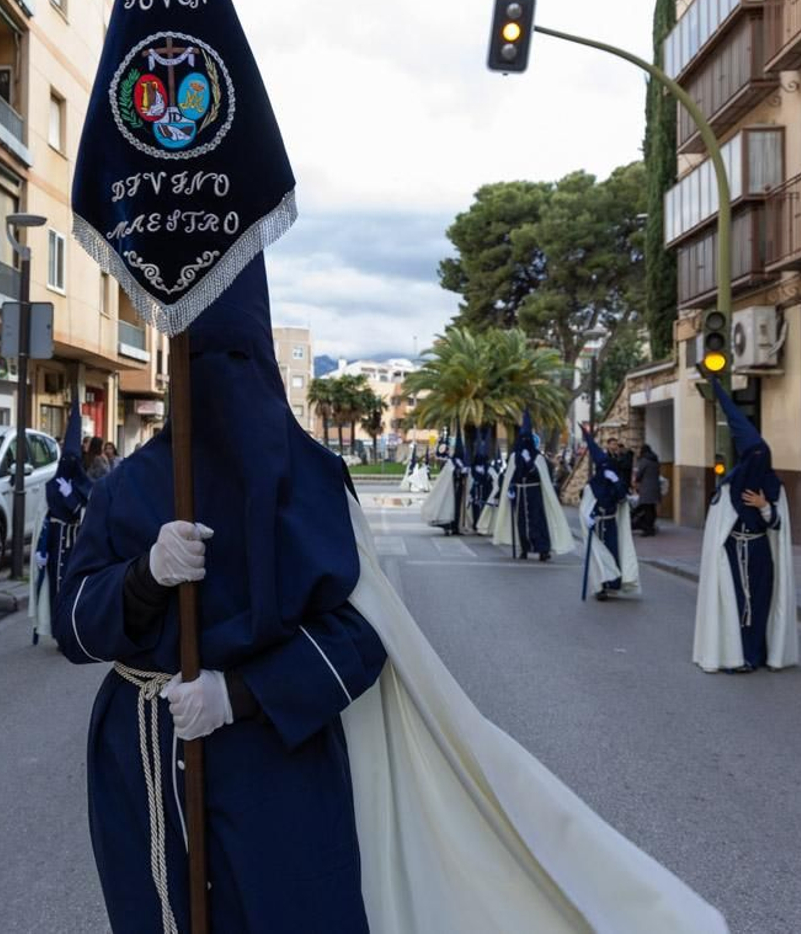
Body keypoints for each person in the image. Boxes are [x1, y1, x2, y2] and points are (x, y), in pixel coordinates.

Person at [53, 258, 726, 932]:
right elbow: (73, 625)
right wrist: (143, 576)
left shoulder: (312, 482)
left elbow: (362, 633)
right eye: (202, 364)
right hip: (142, 766)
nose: (219, 386)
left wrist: (238, 693)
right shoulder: (128, 488)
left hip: (278, 775)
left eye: (237, 362)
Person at [693, 380, 798, 674]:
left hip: (760, 550)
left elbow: (778, 525)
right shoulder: (729, 489)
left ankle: (757, 654)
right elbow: (717, 528)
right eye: (754, 458)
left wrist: (764, 506)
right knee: (736, 603)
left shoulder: (773, 486)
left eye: (762, 456)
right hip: (732, 553)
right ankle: (736, 655)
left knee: (761, 602)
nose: (758, 463)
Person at [31, 395, 92, 646]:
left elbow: (84, 513)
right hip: (55, 545)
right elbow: (44, 518)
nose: (69, 464)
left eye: (73, 461)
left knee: (72, 589)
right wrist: (41, 549)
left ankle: (71, 631)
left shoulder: (85, 486)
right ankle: (57, 632)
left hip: (75, 545)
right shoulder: (52, 485)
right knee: (54, 590)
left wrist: (71, 497)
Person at [493, 410, 573, 561]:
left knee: (538, 521)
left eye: (527, 439)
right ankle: (524, 548)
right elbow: (511, 475)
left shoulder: (538, 458)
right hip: (520, 493)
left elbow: (540, 475)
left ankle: (542, 549)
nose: (524, 442)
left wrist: (529, 463)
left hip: (534, 493)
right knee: (522, 522)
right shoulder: (515, 457)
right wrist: (510, 487)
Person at [580, 425, 640, 601]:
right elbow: (586, 506)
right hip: (597, 523)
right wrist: (588, 518)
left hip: (611, 522)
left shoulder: (615, 481)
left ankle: (612, 583)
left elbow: (621, 499)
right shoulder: (592, 486)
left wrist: (617, 483)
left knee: (612, 552)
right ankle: (600, 587)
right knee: (599, 555)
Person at [632, 444, 663, 536]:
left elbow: (639, 474)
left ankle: (648, 529)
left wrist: (636, 480)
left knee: (647, 510)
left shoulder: (644, 461)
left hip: (646, 488)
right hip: (655, 487)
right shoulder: (655, 460)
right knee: (652, 508)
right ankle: (651, 527)